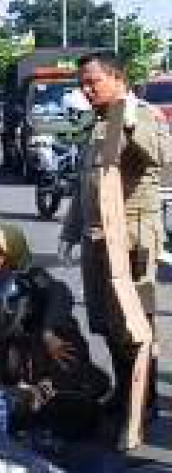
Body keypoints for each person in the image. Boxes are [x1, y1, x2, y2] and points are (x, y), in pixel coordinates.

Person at [60, 52, 167, 436]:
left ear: (118, 78)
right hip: (97, 238)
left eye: (94, 82)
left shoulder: (141, 115)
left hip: (133, 238)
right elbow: (83, 185)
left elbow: (161, 158)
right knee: (106, 323)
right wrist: (70, 234)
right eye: (83, 84)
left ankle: (143, 403)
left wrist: (135, 124)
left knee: (135, 325)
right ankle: (123, 393)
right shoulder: (100, 123)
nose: (86, 90)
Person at [0, 225, 109, 440]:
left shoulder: (32, 276)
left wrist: (47, 331)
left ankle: (57, 395)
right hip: (0, 348)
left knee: (62, 345)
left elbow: (60, 293)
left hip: (38, 355)